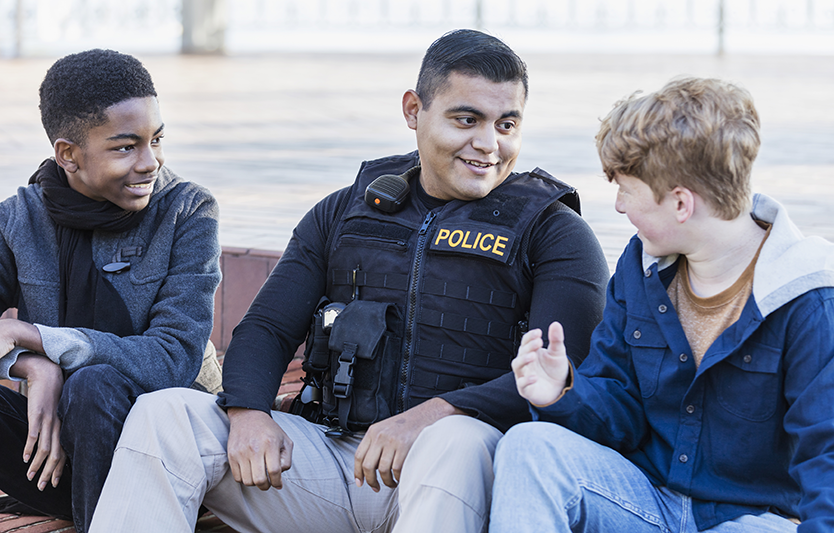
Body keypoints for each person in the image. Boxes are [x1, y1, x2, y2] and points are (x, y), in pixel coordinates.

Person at [89, 29, 610, 533]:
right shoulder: (344, 212)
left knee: (456, 440)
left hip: (458, 478)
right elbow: (267, 328)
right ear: (413, 110)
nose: (487, 144)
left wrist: (436, 414)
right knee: (166, 414)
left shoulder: (555, 232)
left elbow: (567, 373)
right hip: (334, 460)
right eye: (466, 119)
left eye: (507, 124)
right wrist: (247, 411)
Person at [490, 77, 834, 532]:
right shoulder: (639, 268)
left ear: (681, 202)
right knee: (529, 446)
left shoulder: (806, 299)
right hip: (645, 499)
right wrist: (564, 390)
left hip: (754, 518)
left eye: (627, 190)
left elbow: (832, 452)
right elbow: (619, 412)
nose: (619, 206)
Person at [0, 49, 222, 532]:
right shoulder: (18, 217)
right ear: (68, 155)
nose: (150, 162)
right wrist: (31, 367)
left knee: (94, 385)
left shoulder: (188, 211)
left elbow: (172, 359)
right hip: (56, 451)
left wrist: (43, 340)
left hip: (170, 452)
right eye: (126, 147)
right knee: (79, 388)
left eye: (156, 140)